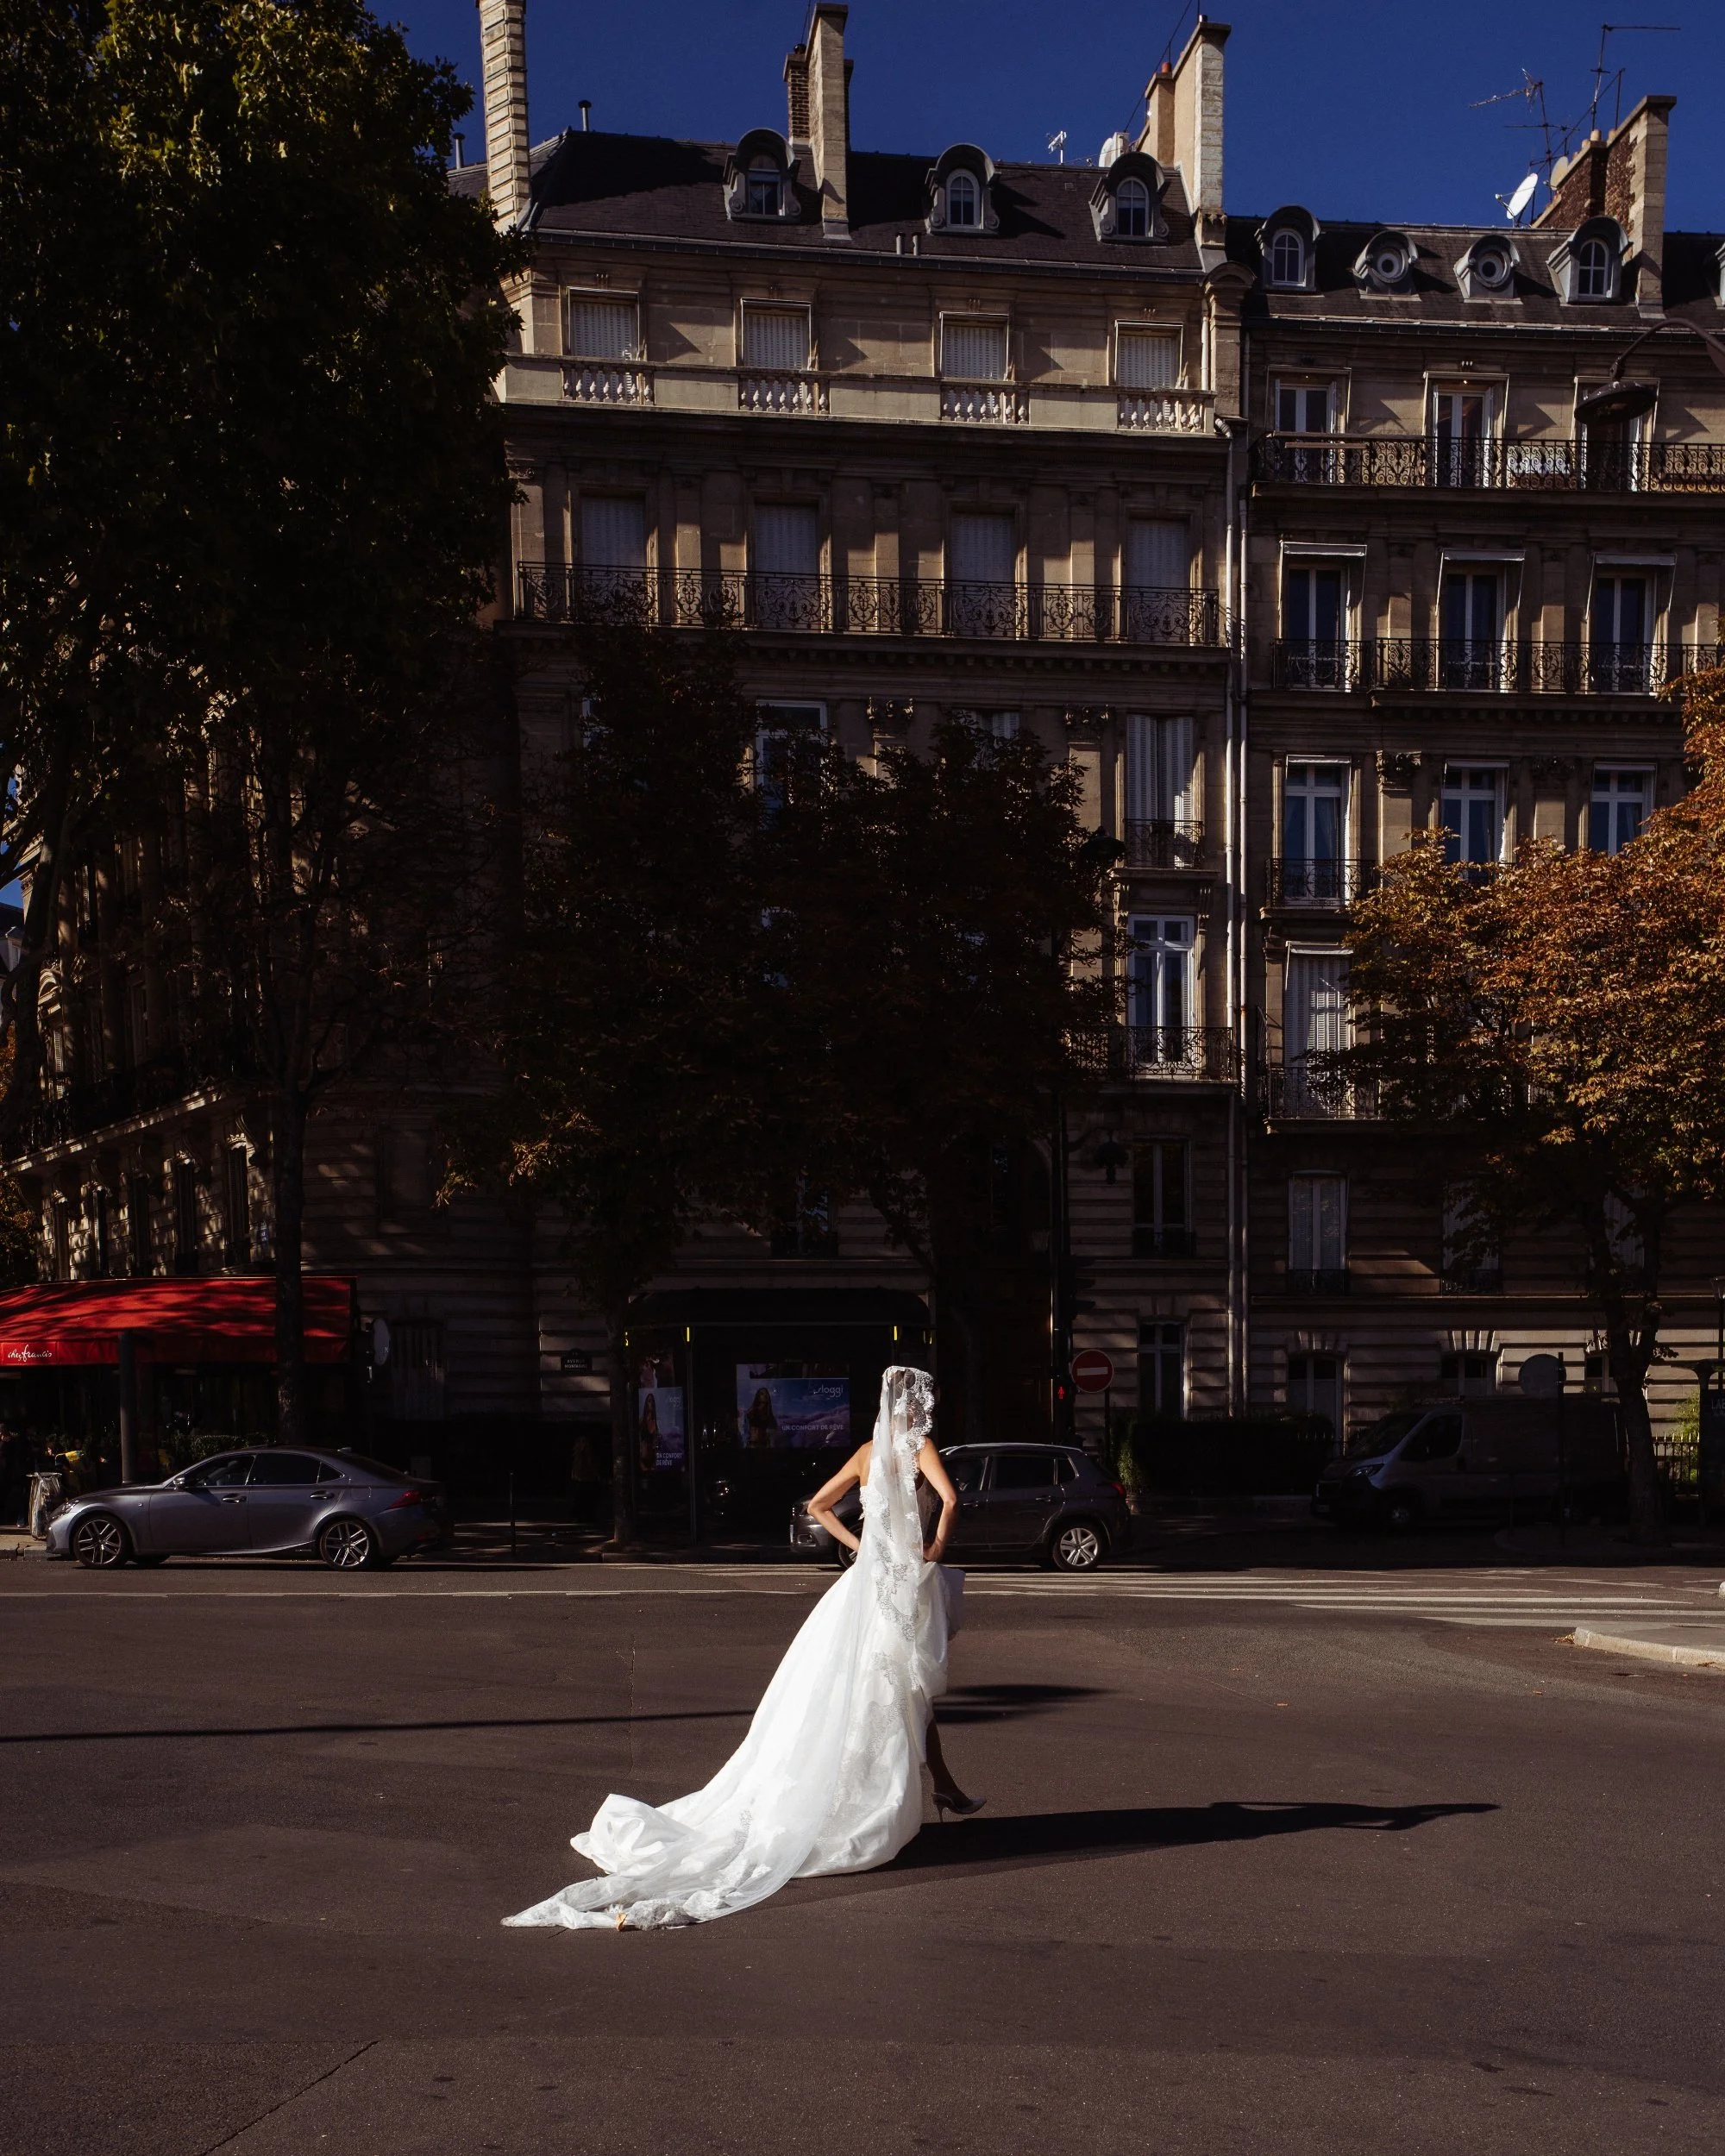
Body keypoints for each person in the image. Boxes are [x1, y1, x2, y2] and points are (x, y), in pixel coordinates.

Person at [504, 1364, 982, 1934]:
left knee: (875, 1686)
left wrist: (862, 1546)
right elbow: (951, 1500)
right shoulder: (918, 1446)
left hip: (864, 1583)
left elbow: (817, 1507)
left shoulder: (864, 1452)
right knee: (899, 1684)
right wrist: (932, 1547)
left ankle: (943, 1786)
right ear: (913, 1404)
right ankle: (911, 1794)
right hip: (900, 1583)